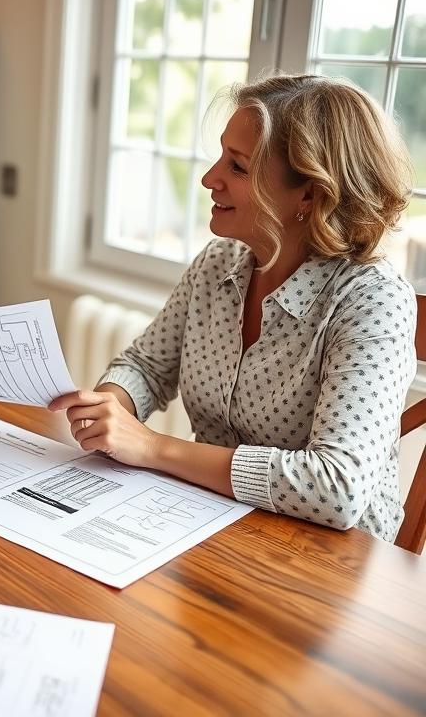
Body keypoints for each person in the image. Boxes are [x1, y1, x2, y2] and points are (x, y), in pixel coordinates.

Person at [50, 74, 417, 541]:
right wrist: (112, 407)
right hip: (208, 526)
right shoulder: (218, 264)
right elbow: (145, 366)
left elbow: (335, 487)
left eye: (238, 167)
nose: (209, 178)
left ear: (310, 194)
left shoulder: (371, 299)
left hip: (333, 569)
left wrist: (152, 447)